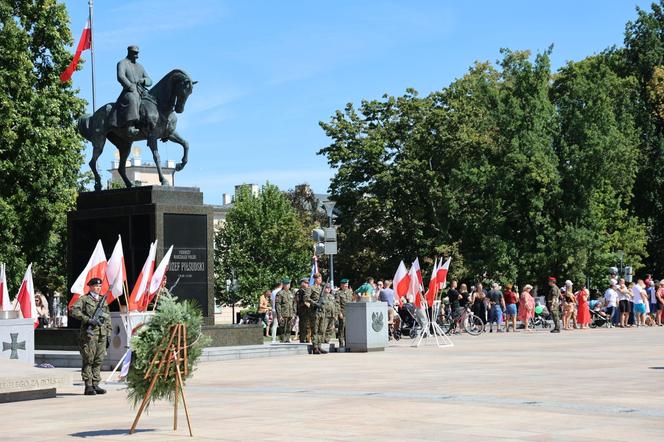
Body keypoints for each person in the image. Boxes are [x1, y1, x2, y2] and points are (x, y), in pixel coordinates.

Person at [70, 278, 112, 395]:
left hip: (102, 334)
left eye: (99, 286)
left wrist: (108, 333)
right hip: (89, 334)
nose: (98, 288)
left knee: (98, 360)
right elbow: (73, 311)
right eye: (96, 286)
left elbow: (107, 318)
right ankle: (88, 385)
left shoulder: (103, 300)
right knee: (89, 359)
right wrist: (88, 320)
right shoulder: (84, 299)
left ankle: (95, 384)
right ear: (91, 287)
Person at [114, 45, 152, 136]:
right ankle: (130, 126)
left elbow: (150, 80)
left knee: (152, 101)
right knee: (133, 99)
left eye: (137, 53)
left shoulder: (140, 67)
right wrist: (129, 85)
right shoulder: (122, 63)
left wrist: (143, 80)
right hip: (129, 91)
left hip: (141, 91)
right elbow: (121, 76)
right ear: (129, 52)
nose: (136, 55)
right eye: (134, 53)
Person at [312, 283, 335, 354]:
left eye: (329, 288)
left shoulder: (331, 296)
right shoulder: (321, 296)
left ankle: (319, 346)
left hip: (327, 315)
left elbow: (334, 305)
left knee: (321, 331)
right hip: (321, 315)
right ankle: (315, 347)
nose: (328, 289)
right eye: (327, 288)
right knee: (317, 331)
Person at [275, 278, 295, 343]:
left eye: (289, 284)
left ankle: (287, 339)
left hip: (290, 314)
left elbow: (293, 304)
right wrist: (279, 315)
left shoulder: (290, 293)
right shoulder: (280, 293)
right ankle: (283, 340)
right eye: (287, 284)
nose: (288, 285)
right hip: (283, 314)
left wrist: (294, 313)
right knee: (283, 328)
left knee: (289, 328)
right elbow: (278, 305)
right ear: (283, 285)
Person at [335, 278, 354, 347]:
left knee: (349, 328)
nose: (346, 285)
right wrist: (339, 313)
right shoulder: (338, 293)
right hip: (343, 313)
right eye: (345, 284)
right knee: (342, 328)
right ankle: (341, 343)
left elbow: (352, 301)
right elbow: (337, 304)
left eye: (347, 284)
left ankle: (348, 343)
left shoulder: (350, 292)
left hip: (350, 313)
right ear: (341, 285)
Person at [295, 278, 312, 343]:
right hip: (303, 311)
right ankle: (302, 339)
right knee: (303, 325)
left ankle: (308, 339)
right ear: (302, 283)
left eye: (307, 283)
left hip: (309, 310)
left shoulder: (309, 290)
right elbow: (298, 302)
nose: (307, 284)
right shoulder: (299, 292)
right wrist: (305, 303)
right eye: (305, 283)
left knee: (309, 325)